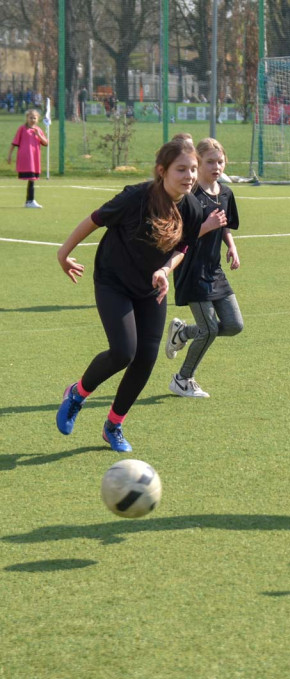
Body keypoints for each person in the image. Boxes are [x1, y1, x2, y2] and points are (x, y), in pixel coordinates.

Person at [55, 135, 227, 452]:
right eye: (181, 169)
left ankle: (113, 426)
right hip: (113, 280)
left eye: (193, 169)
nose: (189, 176)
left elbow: (183, 247)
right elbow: (94, 220)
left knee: (146, 359)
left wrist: (165, 270)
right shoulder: (135, 197)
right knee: (123, 352)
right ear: (162, 171)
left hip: (150, 289)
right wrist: (64, 253)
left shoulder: (191, 207)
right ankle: (78, 393)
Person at [165, 137, 243, 398]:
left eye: (220, 161)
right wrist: (205, 227)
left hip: (214, 270)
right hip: (192, 270)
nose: (216, 166)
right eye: (210, 162)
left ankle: (183, 332)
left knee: (233, 325)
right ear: (198, 163)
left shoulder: (225, 193)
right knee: (209, 329)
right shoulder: (189, 196)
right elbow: (178, 236)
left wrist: (230, 245)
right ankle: (183, 379)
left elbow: (224, 226)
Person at [7, 109, 48, 208]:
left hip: (35, 158)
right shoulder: (22, 129)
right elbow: (14, 143)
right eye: (31, 117)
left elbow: (46, 143)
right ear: (27, 118)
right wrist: (9, 155)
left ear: (38, 119)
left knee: (32, 178)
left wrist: (38, 135)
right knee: (31, 178)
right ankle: (30, 201)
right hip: (25, 157)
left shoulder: (38, 130)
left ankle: (29, 201)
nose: (32, 119)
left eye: (34, 118)